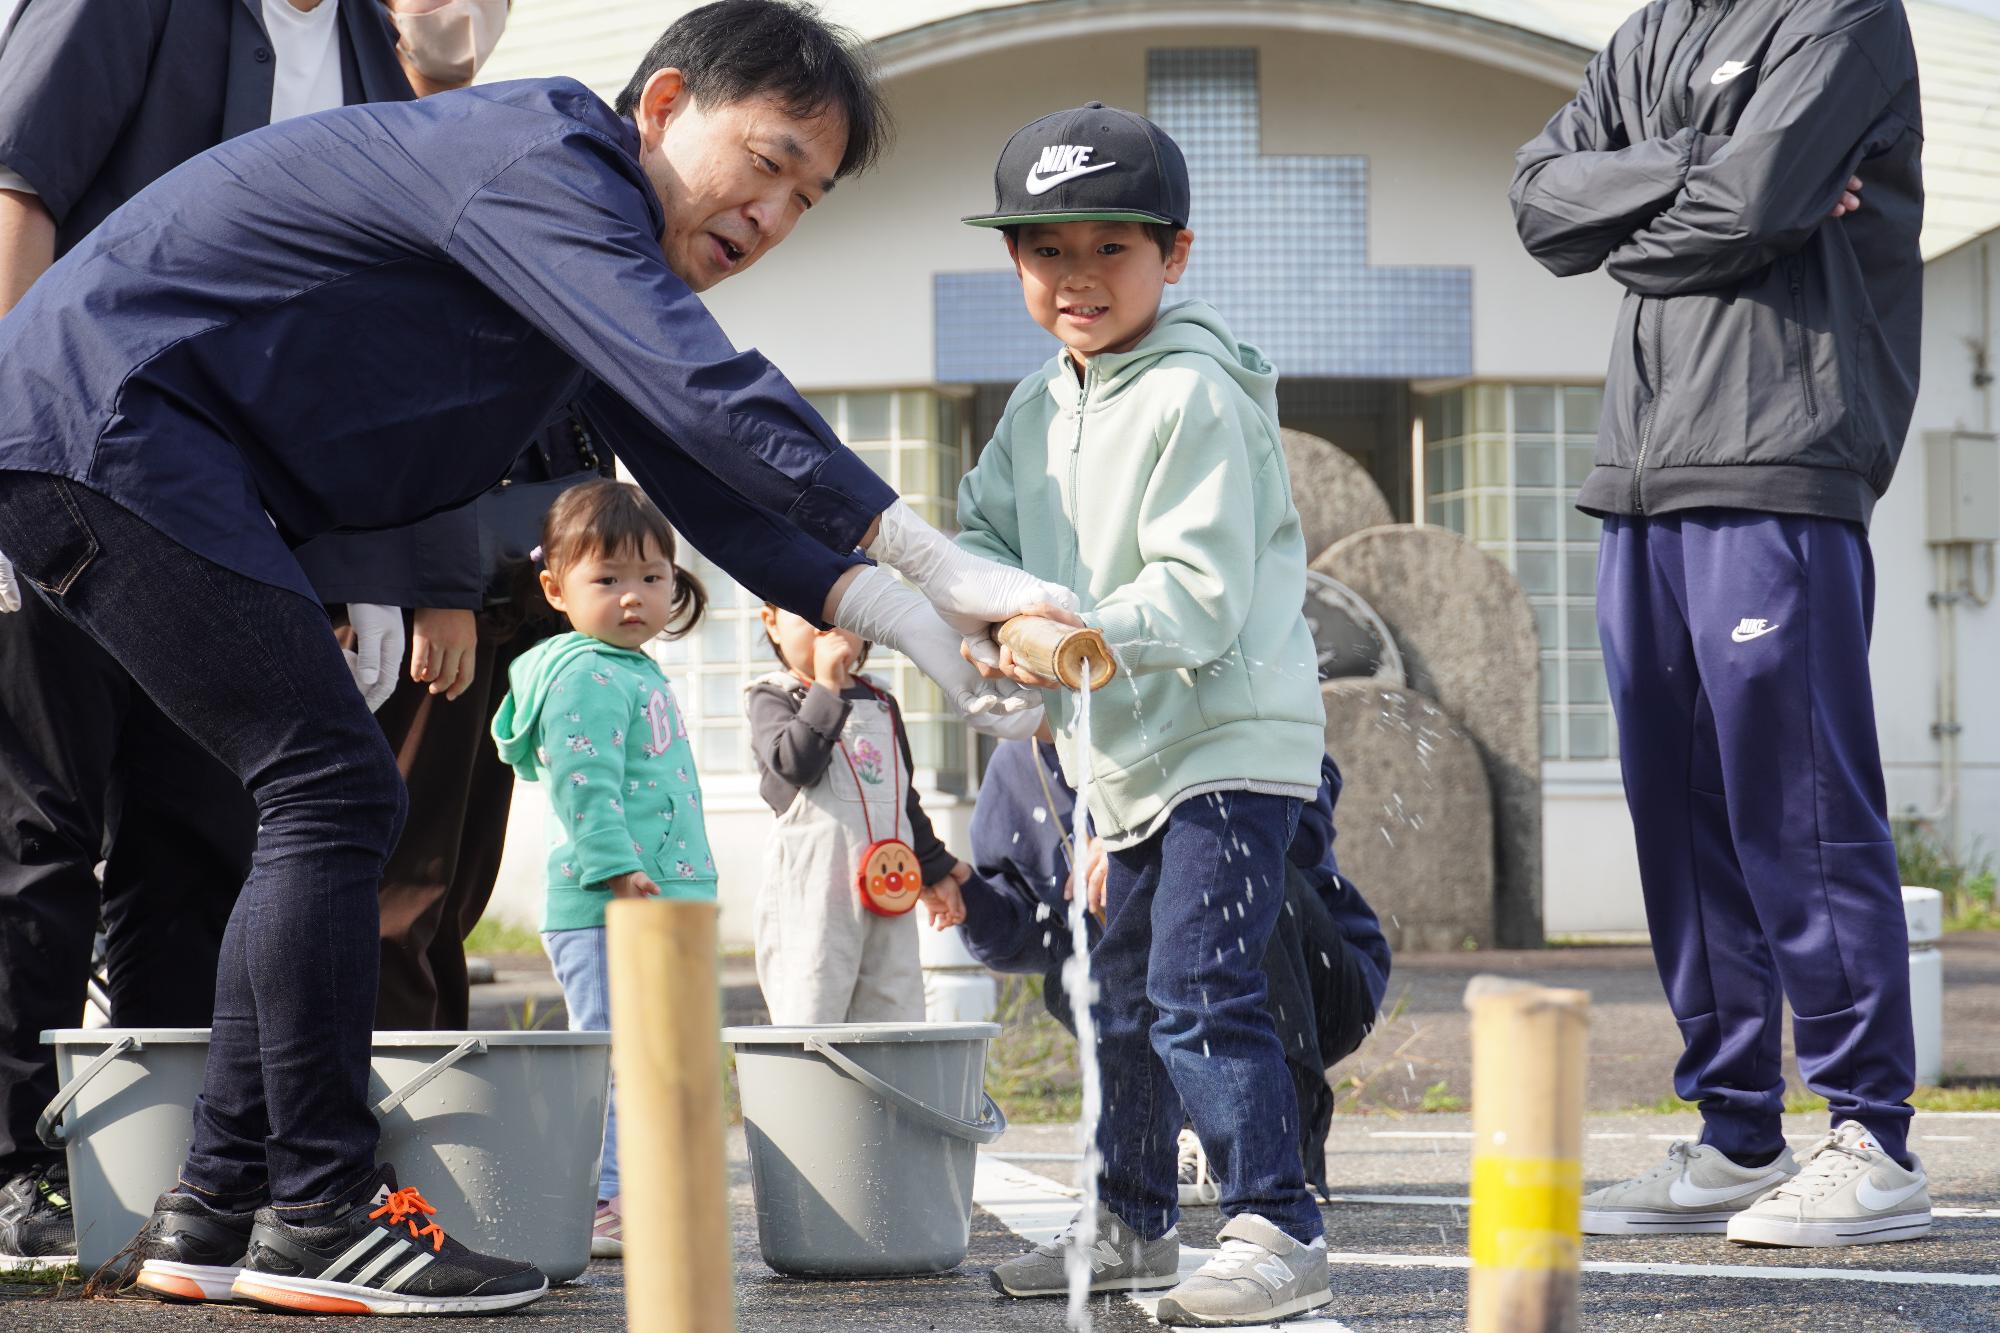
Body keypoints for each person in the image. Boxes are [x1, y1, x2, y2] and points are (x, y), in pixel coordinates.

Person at [0, 0, 1062, 1313]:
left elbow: (700, 474)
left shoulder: (582, 253)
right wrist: (936, 555)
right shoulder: (548, 161)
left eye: (808, 200)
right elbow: (704, 390)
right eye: (770, 161)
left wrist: (900, 610)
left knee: (313, 794)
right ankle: (314, 1206)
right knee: (328, 788)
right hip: (109, 416)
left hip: (138, 440)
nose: (774, 217)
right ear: (663, 105)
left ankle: (221, 1207)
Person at [0, 0, 505, 1265]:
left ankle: (188, 1184)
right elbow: (17, 194)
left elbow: (389, 345)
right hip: (63, 463)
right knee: (36, 833)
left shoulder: (364, 54)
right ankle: (11, 1160)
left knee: (207, 839)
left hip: (227, 521)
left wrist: (387, 571)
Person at [1511, 0, 1928, 1248]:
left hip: (1777, 456)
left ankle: (1871, 1139)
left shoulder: (1841, 17)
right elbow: (1539, 205)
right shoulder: (1647, 34)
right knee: (1677, 814)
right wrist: (1701, 167)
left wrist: (1640, 210)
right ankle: (1738, 1130)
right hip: (1640, 467)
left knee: (1794, 803)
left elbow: (1754, 209)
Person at [959, 103, 1334, 1326]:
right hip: (1117, 758)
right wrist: (968, 603)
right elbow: (978, 539)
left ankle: (1276, 1224)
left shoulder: (1196, 396)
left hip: (1228, 743)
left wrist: (1062, 639)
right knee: (1112, 994)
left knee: (1200, 987)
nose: (1075, 278)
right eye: (1044, 252)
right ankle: (1127, 1219)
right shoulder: (1035, 407)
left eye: (1107, 248)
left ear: (1173, 254)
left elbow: (1201, 599)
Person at [961, 743, 1391, 1202]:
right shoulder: (1014, 768)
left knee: (1239, 870)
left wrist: (1138, 836)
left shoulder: (1174, 710)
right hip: (1168, 989)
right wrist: (962, 892)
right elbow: (1024, 937)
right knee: (1072, 972)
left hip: (1318, 985)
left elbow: (1304, 832)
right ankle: (1154, 1145)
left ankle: (1282, 1145)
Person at [490, 480, 713, 1264]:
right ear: (555, 589)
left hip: (654, 896)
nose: (633, 598)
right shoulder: (582, 673)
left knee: (655, 1050)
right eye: (607, 579)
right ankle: (610, 1199)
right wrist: (619, 870)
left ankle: (638, 1188)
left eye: (652, 578)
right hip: (608, 901)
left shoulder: (633, 668)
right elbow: (584, 783)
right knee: (618, 1049)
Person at [745, 602, 977, 1027]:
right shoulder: (773, 696)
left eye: (839, 617)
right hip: (813, 900)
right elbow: (795, 764)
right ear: (772, 624)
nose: (825, 628)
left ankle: (886, 1091)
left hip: (888, 890)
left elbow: (903, 798)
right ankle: (812, 1092)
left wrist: (935, 870)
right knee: (813, 1008)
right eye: (807, 615)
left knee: (895, 1008)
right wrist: (826, 688)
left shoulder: (882, 703)